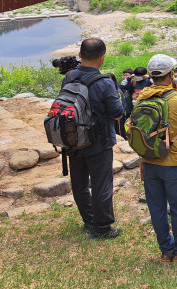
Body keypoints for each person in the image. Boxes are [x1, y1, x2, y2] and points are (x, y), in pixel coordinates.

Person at [140, 54, 177, 263]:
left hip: (149, 161)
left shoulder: (142, 98)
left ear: (150, 75)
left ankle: (166, 250)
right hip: (174, 161)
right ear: (171, 74)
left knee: (156, 208)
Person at [64, 38, 124, 239]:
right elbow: (117, 114)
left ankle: (89, 222)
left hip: (72, 140)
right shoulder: (105, 83)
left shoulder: (69, 76)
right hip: (99, 142)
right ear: (102, 58)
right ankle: (102, 229)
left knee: (79, 184)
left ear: (80, 55)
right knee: (101, 184)